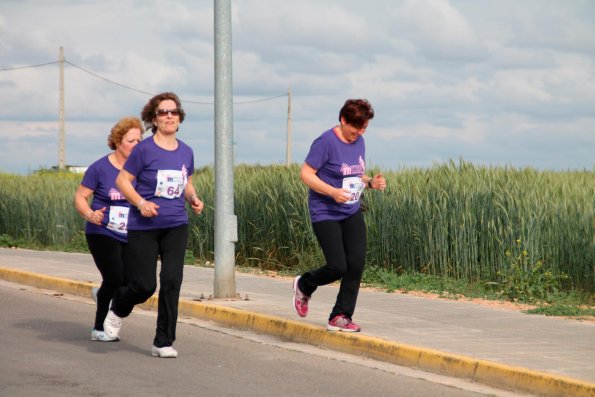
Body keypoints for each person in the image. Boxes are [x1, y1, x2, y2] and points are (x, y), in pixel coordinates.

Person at [103, 92, 204, 358]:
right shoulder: (143, 150)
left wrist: (193, 197)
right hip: (144, 226)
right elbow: (122, 181)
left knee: (172, 281)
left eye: (173, 112)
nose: (169, 116)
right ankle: (117, 308)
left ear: (180, 119)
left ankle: (163, 341)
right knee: (145, 286)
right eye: (163, 112)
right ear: (154, 119)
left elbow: (186, 182)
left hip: (176, 224)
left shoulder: (186, 151)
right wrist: (140, 203)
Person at [292, 98, 386, 332]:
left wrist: (370, 183)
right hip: (325, 211)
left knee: (356, 264)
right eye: (356, 128)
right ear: (343, 120)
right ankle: (305, 284)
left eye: (363, 128)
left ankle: (340, 316)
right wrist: (332, 192)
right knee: (338, 266)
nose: (359, 133)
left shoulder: (360, 141)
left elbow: (354, 173)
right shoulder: (325, 142)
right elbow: (306, 174)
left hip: (351, 210)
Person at [73, 116, 144, 342]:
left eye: (140, 140)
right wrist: (89, 214)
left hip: (131, 232)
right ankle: (98, 328)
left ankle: (102, 294)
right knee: (114, 277)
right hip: (102, 230)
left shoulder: (142, 170)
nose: (137, 145)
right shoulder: (100, 168)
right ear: (117, 141)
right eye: (132, 140)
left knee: (132, 282)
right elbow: (80, 197)